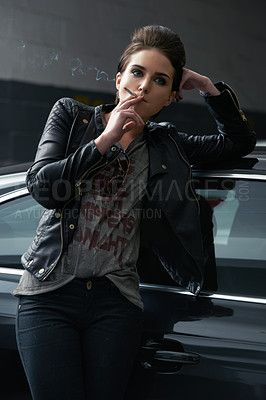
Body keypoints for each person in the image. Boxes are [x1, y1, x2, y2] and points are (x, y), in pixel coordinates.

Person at [14, 25, 256, 400]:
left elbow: (238, 142)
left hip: (116, 302)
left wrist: (209, 88)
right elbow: (44, 188)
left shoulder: (166, 144)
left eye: (160, 81)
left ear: (171, 97)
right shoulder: (71, 116)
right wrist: (105, 139)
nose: (144, 87)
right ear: (119, 78)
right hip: (49, 294)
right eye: (137, 73)